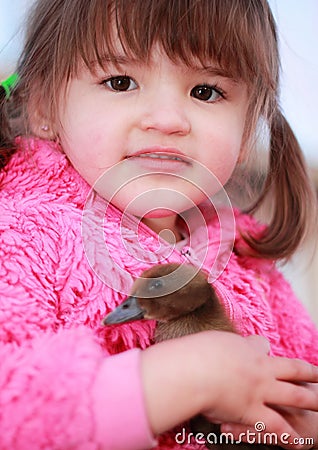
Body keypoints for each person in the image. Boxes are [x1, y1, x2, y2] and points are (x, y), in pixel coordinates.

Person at [0, 0, 317, 449]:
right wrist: (179, 380)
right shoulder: (21, 234)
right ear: (43, 106)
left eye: (205, 91)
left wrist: (300, 425)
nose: (167, 121)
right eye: (120, 81)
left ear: (248, 131)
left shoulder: (254, 271)